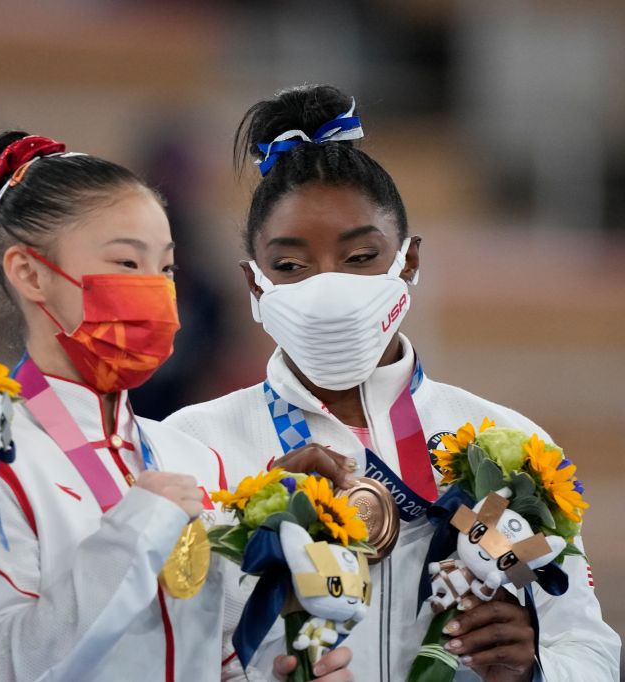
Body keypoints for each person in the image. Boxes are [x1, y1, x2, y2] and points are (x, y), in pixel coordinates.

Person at [164, 84, 621, 681]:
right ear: (255, 285)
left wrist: (532, 669)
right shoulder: (189, 446)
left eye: (359, 259)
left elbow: (588, 649)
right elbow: (154, 651)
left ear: (408, 263)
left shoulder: (510, 450)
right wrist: (250, 534)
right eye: (291, 266)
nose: (327, 290)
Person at [0, 131, 344, 681]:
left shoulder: (194, 459)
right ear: (30, 273)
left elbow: (217, 660)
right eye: (128, 265)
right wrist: (134, 531)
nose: (155, 291)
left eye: (166, 270)